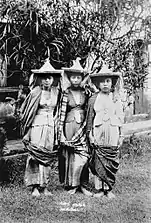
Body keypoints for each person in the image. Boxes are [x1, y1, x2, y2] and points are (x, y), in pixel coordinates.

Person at [20, 58, 62, 197]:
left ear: (53, 79)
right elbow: (27, 112)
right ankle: (34, 187)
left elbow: (59, 111)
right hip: (37, 125)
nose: (46, 81)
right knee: (35, 155)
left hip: (50, 126)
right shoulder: (35, 92)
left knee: (47, 155)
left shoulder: (57, 92)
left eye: (49, 78)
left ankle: (44, 186)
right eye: (44, 78)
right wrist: (28, 131)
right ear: (39, 79)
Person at [86, 64, 124, 199]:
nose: (105, 84)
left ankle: (109, 189)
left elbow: (120, 117)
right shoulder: (93, 99)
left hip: (112, 130)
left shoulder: (116, 98)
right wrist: (90, 134)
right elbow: (89, 118)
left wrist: (121, 135)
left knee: (110, 159)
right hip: (99, 130)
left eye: (108, 81)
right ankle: (100, 189)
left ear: (112, 82)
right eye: (102, 81)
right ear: (98, 84)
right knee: (99, 159)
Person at [58, 58, 92, 196]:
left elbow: (90, 108)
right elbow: (61, 112)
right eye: (73, 77)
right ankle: (72, 185)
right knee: (71, 153)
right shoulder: (66, 93)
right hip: (69, 124)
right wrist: (61, 133)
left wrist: (87, 83)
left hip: (83, 125)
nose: (76, 80)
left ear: (82, 78)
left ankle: (83, 184)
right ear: (69, 78)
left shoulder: (86, 92)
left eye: (79, 77)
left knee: (83, 153)